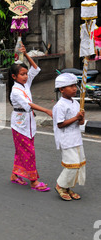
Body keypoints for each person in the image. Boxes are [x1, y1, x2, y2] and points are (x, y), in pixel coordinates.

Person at [9, 44, 52, 191]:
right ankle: (33, 181)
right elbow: (29, 104)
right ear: (14, 77)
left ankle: (15, 175)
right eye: (22, 74)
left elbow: (36, 69)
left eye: (26, 74)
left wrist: (26, 54)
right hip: (20, 125)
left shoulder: (26, 84)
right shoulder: (15, 90)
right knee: (29, 152)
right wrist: (46, 110)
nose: (26, 76)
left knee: (22, 151)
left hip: (28, 122)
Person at [53, 73, 85, 201]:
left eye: (75, 86)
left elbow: (81, 123)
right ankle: (60, 185)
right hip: (66, 139)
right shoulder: (59, 106)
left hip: (76, 138)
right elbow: (60, 124)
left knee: (79, 164)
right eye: (71, 86)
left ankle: (67, 187)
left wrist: (81, 118)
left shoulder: (76, 104)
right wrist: (76, 117)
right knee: (71, 165)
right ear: (61, 89)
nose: (74, 88)